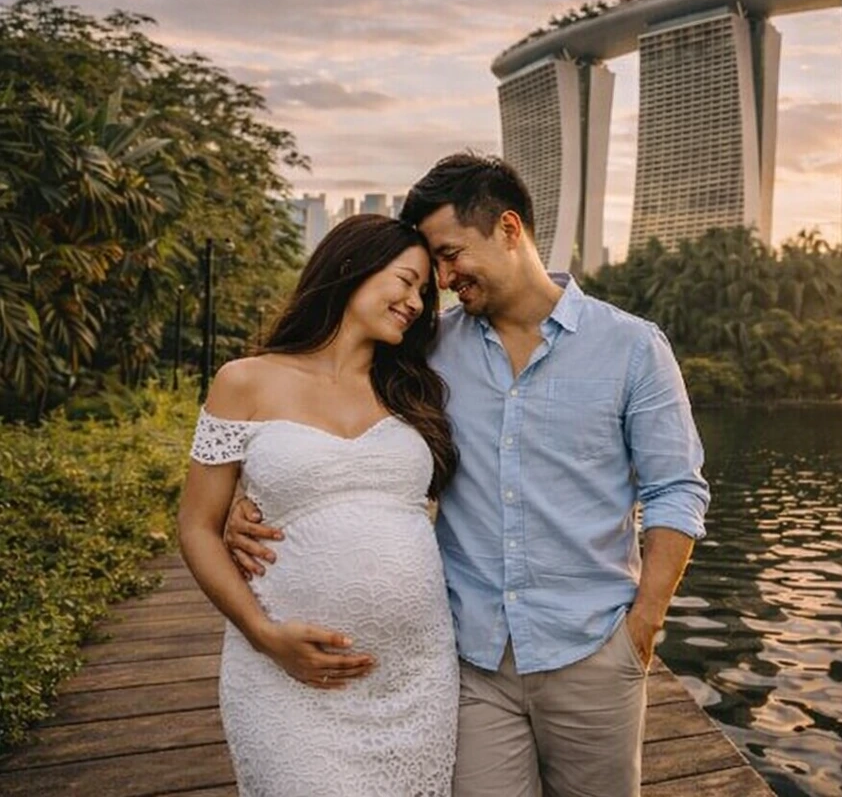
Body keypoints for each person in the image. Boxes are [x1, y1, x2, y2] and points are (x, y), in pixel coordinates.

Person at [227, 153, 711, 797]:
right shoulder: (425, 348)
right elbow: (323, 409)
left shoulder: (632, 348)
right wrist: (251, 491)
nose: (443, 280)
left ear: (509, 229)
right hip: (471, 661)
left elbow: (675, 489)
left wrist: (643, 626)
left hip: (592, 649)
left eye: (451, 255)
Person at [178, 214, 460, 797]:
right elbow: (198, 528)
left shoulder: (413, 387)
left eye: (424, 294)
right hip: (284, 676)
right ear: (351, 266)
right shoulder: (245, 381)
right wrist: (262, 634)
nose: (415, 302)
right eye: (405, 281)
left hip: (415, 680)